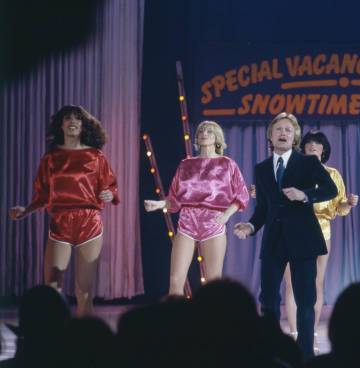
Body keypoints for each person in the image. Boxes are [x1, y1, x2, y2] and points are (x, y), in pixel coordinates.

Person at [234, 112, 338, 360]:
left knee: (305, 300)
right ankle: (270, 352)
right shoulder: (261, 168)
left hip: (304, 239)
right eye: (278, 129)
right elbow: (263, 209)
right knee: (268, 299)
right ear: (270, 136)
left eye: (288, 130)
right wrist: (250, 227)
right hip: (273, 241)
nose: (283, 133)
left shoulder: (308, 163)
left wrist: (304, 195)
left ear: (294, 138)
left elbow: (330, 189)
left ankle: (304, 356)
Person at [9, 105, 119, 316]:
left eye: (77, 118)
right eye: (67, 118)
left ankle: (84, 339)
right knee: (51, 289)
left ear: (83, 125)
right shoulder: (50, 158)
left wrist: (110, 194)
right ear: (61, 125)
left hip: (90, 222)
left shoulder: (96, 156)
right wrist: (26, 210)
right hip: (60, 223)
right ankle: (51, 338)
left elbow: (111, 186)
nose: (72, 121)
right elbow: (42, 195)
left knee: (84, 290)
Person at [144, 120, 249, 295]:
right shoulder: (186, 164)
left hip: (213, 222)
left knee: (213, 283)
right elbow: (175, 199)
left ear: (217, 138)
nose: (204, 134)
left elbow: (241, 195)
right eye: (201, 131)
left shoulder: (227, 164)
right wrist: (159, 204)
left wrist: (226, 216)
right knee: (176, 280)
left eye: (209, 131)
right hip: (187, 222)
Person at [282, 130, 358, 341]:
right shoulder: (292, 169)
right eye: (309, 143)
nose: (313, 146)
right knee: (292, 283)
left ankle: (310, 333)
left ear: (324, 150)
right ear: (303, 148)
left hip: (322, 230)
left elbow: (339, 206)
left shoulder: (332, 174)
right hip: (294, 229)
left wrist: (348, 202)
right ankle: (295, 332)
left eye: (318, 143)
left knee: (316, 282)